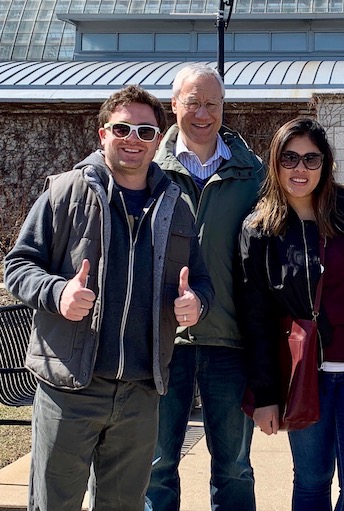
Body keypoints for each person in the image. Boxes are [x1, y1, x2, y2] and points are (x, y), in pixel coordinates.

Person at [3, 84, 214, 511]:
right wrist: (58, 291)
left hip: (140, 389)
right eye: (123, 128)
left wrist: (196, 304)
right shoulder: (65, 192)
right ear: (103, 134)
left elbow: (202, 281)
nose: (133, 139)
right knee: (53, 504)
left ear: (159, 139)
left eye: (145, 131)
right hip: (71, 386)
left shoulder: (177, 206)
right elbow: (18, 266)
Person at [238, 117, 344, 511]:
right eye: (289, 158)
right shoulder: (259, 229)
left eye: (311, 158)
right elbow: (256, 318)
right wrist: (266, 396)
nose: (300, 169)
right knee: (311, 482)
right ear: (274, 163)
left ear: (326, 163)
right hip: (304, 375)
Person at [147, 63, 265, 511]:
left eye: (211, 103)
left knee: (234, 466)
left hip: (229, 340)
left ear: (223, 107)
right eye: (192, 102)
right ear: (173, 105)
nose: (202, 113)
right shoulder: (148, 170)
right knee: (156, 464)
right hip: (161, 341)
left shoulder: (251, 174)